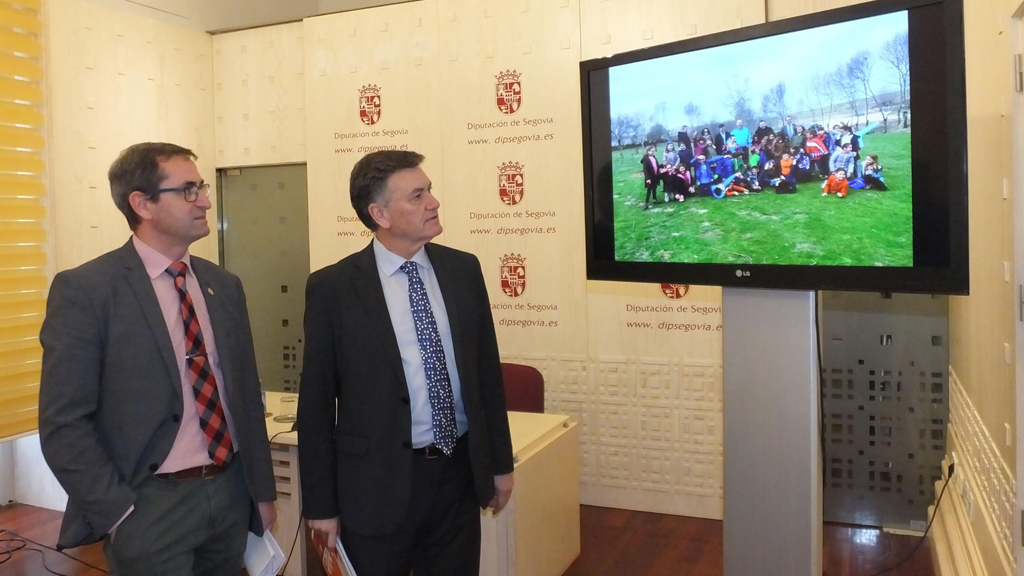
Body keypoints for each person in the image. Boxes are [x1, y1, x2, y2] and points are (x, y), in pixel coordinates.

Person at [38, 142, 278, 574]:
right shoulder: (88, 290)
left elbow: (244, 396)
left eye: (201, 187)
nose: (204, 201)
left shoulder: (223, 285)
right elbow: (64, 422)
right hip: (148, 507)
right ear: (142, 204)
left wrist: (260, 491)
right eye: (188, 190)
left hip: (229, 492)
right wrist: (116, 512)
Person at [297, 150, 515, 576]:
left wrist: (500, 465)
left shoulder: (463, 270)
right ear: (379, 214)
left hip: (456, 476)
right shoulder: (333, 289)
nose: (433, 202)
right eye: (417, 196)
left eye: (429, 190)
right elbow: (316, 406)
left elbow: (487, 377)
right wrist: (321, 506)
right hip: (375, 487)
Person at [640, 145, 661, 210]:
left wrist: (663, 166)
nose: (653, 152)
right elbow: (645, 170)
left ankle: (655, 199)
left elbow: (656, 165)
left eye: (654, 151)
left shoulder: (653, 157)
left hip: (655, 176)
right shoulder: (646, 159)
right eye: (652, 151)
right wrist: (647, 178)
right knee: (649, 190)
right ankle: (646, 203)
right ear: (648, 151)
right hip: (650, 177)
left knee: (654, 187)